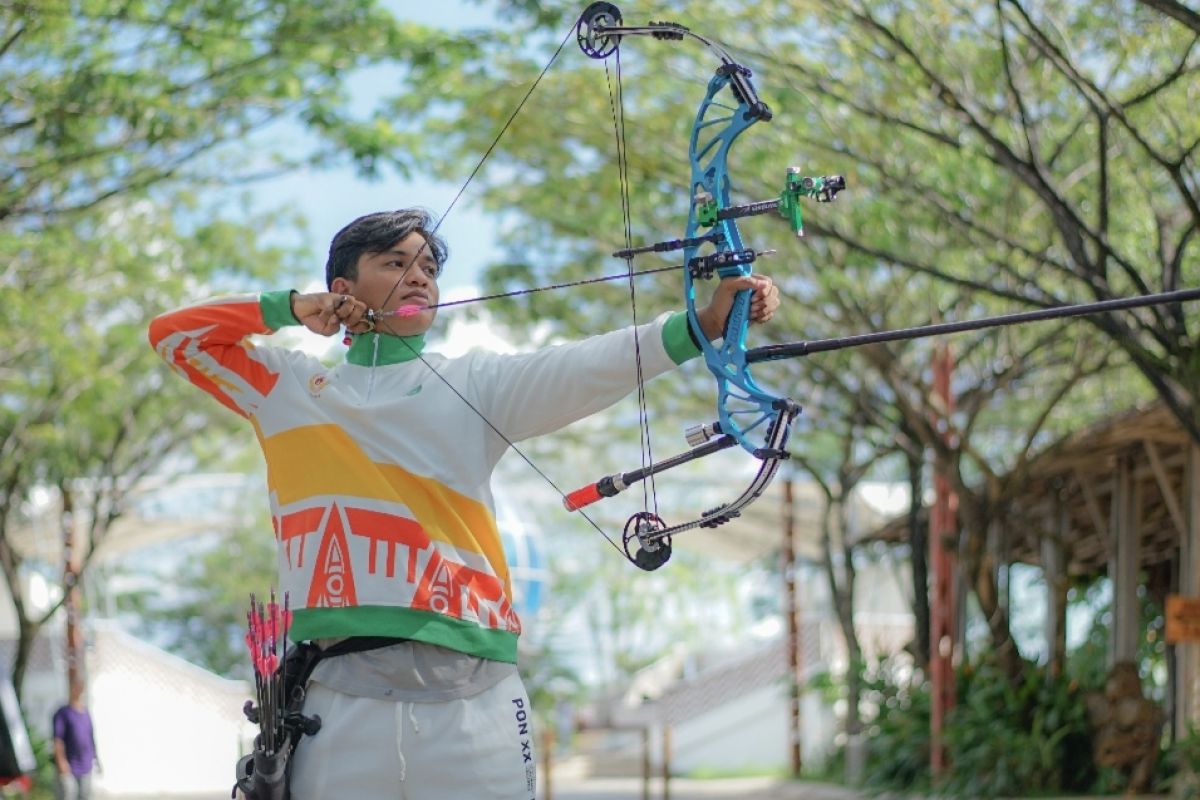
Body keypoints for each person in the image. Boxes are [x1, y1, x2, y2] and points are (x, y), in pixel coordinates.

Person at [148, 208, 779, 800]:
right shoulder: (285, 387)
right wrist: (286, 307)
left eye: (428, 267)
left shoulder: (476, 382)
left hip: (476, 701)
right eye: (395, 263)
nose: (418, 276)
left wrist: (704, 323)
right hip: (336, 698)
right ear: (342, 286)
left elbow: (587, 365)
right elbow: (174, 337)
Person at [51, 686, 97, 800]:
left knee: (85, 796)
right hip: (69, 766)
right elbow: (57, 740)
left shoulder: (86, 713)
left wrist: (96, 758)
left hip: (86, 765)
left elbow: (91, 737)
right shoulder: (63, 713)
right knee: (68, 795)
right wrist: (61, 761)